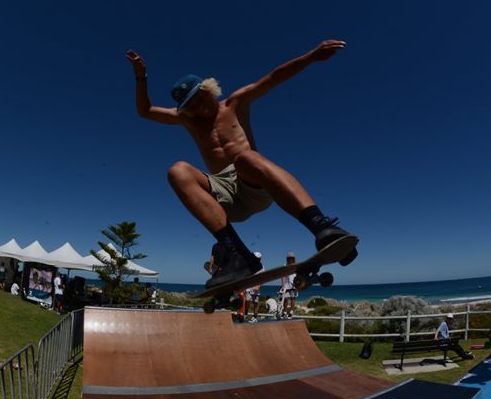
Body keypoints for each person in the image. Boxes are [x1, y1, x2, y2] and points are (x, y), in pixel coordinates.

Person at [126, 41, 358, 291]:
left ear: (209, 89)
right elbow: (146, 111)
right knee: (177, 170)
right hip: (224, 197)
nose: (196, 108)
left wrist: (310, 57)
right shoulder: (187, 120)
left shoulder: (235, 104)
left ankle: (322, 227)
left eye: (198, 99)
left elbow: (273, 78)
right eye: (190, 106)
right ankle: (237, 256)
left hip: (253, 183)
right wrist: (141, 78)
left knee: (245, 158)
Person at [280, 253, 298, 319]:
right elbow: (282, 276)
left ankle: (291, 312)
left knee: (293, 299)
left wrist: (297, 285)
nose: (290, 259)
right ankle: (284, 312)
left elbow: (298, 275)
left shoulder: (296, 265)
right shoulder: (284, 265)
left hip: (294, 285)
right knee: (285, 299)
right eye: (289, 258)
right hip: (286, 285)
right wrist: (282, 285)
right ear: (287, 259)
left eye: (291, 258)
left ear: (293, 259)